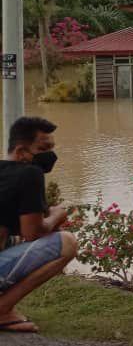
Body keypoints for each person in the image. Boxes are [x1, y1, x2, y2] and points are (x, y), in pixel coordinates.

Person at [0, 117, 78, 333]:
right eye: (43, 148)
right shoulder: (29, 173)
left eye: (52, 148)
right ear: (21, 151)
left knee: (13, 241)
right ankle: (2, 310)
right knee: (67, 242)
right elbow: (32, 233)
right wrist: (56, 215)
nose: (49, 155)